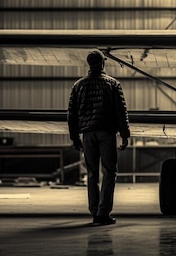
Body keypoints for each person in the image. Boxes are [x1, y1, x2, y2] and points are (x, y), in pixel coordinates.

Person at [68, 49, 130, 225]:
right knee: (109, 172)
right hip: (106, 133)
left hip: (87, 134)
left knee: (92, 173)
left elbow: (71, 114)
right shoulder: (113, 84)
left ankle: (94, 211)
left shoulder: (78, 86)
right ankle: (103, 213)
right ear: (103, 63)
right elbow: (121, 112)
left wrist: (75, 138)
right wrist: (125, 135)